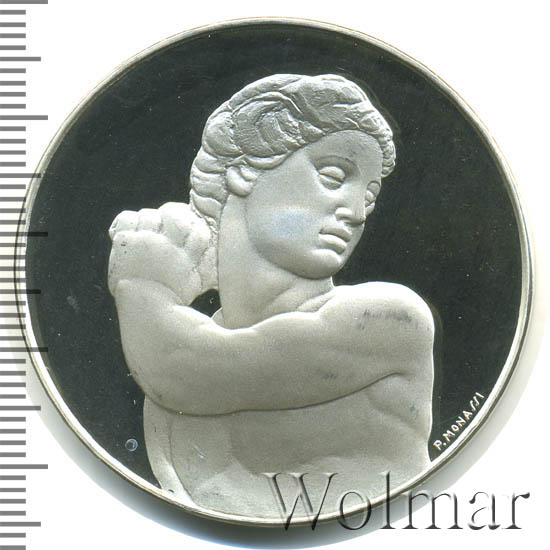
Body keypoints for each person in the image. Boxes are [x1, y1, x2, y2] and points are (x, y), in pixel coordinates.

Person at [108, 74, 434, 519]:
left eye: (370, 196)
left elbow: (186, 373)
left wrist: (143, 284)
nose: (358, 212)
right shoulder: (183, 338)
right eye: (333, 176)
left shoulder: (390, 320)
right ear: (245, 169)